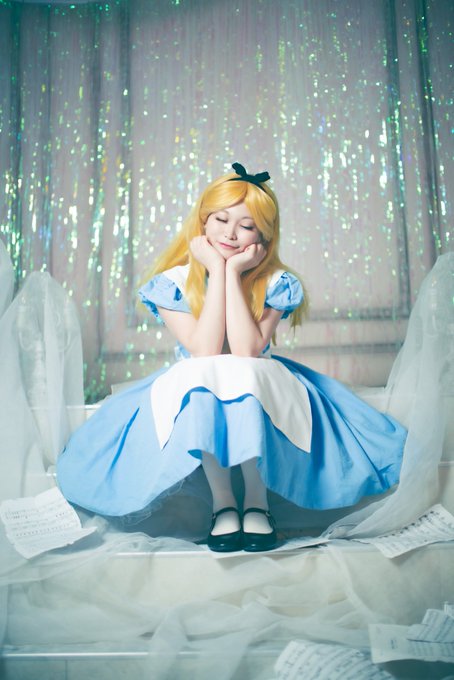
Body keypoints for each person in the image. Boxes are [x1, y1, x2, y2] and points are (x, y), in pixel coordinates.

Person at [57, 163, 407, 552]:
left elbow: (247, 349)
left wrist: (234, 271)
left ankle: (257, 502)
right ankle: (223, 503)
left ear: (263, 237)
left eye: (247, 225)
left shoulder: (276, 282)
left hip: (259, 379)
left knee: (244, 372)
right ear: (203, 223)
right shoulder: (172, 284)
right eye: (221, 220)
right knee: (204, 374)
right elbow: (204, 350)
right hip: (196, 382)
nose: (230, 233)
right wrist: (214, 268)